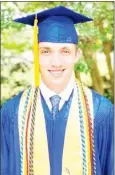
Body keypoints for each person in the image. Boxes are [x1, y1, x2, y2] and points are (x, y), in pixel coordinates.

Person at [1, 6, 113, 175]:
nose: (56, 62)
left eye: (65, 51)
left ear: (77, 55)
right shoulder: (12, 112)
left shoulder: (102, 112)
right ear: (36, 55)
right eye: (46, 51)